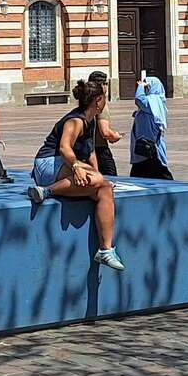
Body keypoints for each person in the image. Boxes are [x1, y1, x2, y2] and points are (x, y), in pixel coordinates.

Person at [26, 79, 125, 271]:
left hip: (65, 165)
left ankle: (105, 250)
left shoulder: (91, 121)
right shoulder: (76, 120)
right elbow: (64, 147)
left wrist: (96, 174)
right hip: (47, 163)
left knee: (105, 188)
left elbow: (91, 153)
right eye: (104, 97)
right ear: (98, 101)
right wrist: (77, 167)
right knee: (97, 180)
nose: (106, 101)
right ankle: (47, 191)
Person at [128, 74, 172, 178]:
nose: (145, 89)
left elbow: (139, 99)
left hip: (149, 147)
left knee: (160, 173)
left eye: (147, 87)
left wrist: (140, 86)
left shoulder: (154, 101)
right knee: (141, 173)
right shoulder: (154, 103)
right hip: (144, 147)